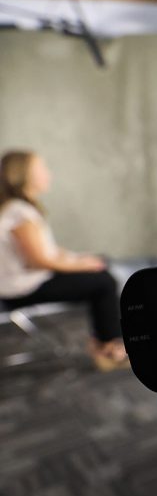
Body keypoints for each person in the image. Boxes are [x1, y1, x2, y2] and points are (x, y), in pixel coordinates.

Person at [0, 150, 128, 371]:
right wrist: (82, 264)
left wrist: (80, 259)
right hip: (23, 288)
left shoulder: (22, 209)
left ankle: (104, 341)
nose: (48, 174)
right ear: (23, 175)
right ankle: (109, 349)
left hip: (32, 279)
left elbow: (48, 251)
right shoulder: (19, 213)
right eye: (42, 169)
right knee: (103, 282)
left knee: (100, 268)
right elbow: (39, 260)